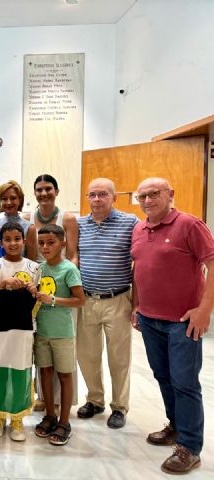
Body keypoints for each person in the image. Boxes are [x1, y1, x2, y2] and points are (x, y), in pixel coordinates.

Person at [131, 177, 214, 475]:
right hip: (151, 320)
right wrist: (137, 306)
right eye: (141, 196)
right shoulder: (139, 229)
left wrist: (205, 310)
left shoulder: (190, 224)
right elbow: (140, 269)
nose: (147, 200)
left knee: (185, 382)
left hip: (183, 321)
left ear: (171, 195)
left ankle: (190, 448)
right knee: (163, 376)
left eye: (154, 194)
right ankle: (177, 428)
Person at [76, 178, 138, 429]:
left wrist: (137, 303)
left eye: (103, 194)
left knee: (118, 357)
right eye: (92, 195)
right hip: (87, 299)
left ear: (115, 197)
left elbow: (141, 262)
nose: (97, 199)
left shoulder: (131, 223)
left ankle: (120, 407)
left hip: (118, 298)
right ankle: (95, 399)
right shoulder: (79, 224)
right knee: (87, 355)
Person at [23, 174, 79, 411]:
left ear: (56, 191)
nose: (44, 193)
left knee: (62, 347)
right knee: (41, 346)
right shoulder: (28, 219)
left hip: (62, 283)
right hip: (39, 280)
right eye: (39, 189)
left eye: (48, 189)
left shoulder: (67, 217)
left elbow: (73, 253)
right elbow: (30, 256)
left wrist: (67, 275)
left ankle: (59, 401)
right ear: (34, 193)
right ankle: (43, 399)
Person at [0, 222, 41, 441]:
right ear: (1, 243)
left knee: (20, 373)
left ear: (24, 241)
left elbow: (36, 300)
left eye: (17, 239)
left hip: (23, 329)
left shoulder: (34, 268)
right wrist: (3, 282)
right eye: (7, 239)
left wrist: (33, 290)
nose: (13, 243)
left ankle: (17, 417)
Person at [32, 224, 84, 446]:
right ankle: (50, 415)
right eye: (41, 243)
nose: (45, 247)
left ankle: (64, 421)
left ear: (62, 244)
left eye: (51, 243)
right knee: (45, 372)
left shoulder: (69, 269)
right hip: (42, 331)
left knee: (64, 375)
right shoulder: (38, 268)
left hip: (62, 333)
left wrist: (52, 300)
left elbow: (80, 300)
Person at [0, 180, 37, 260]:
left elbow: (31, 262)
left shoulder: (29, 228)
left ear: (20, 200)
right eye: (4, 199)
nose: (9, 202)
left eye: (13, 198)